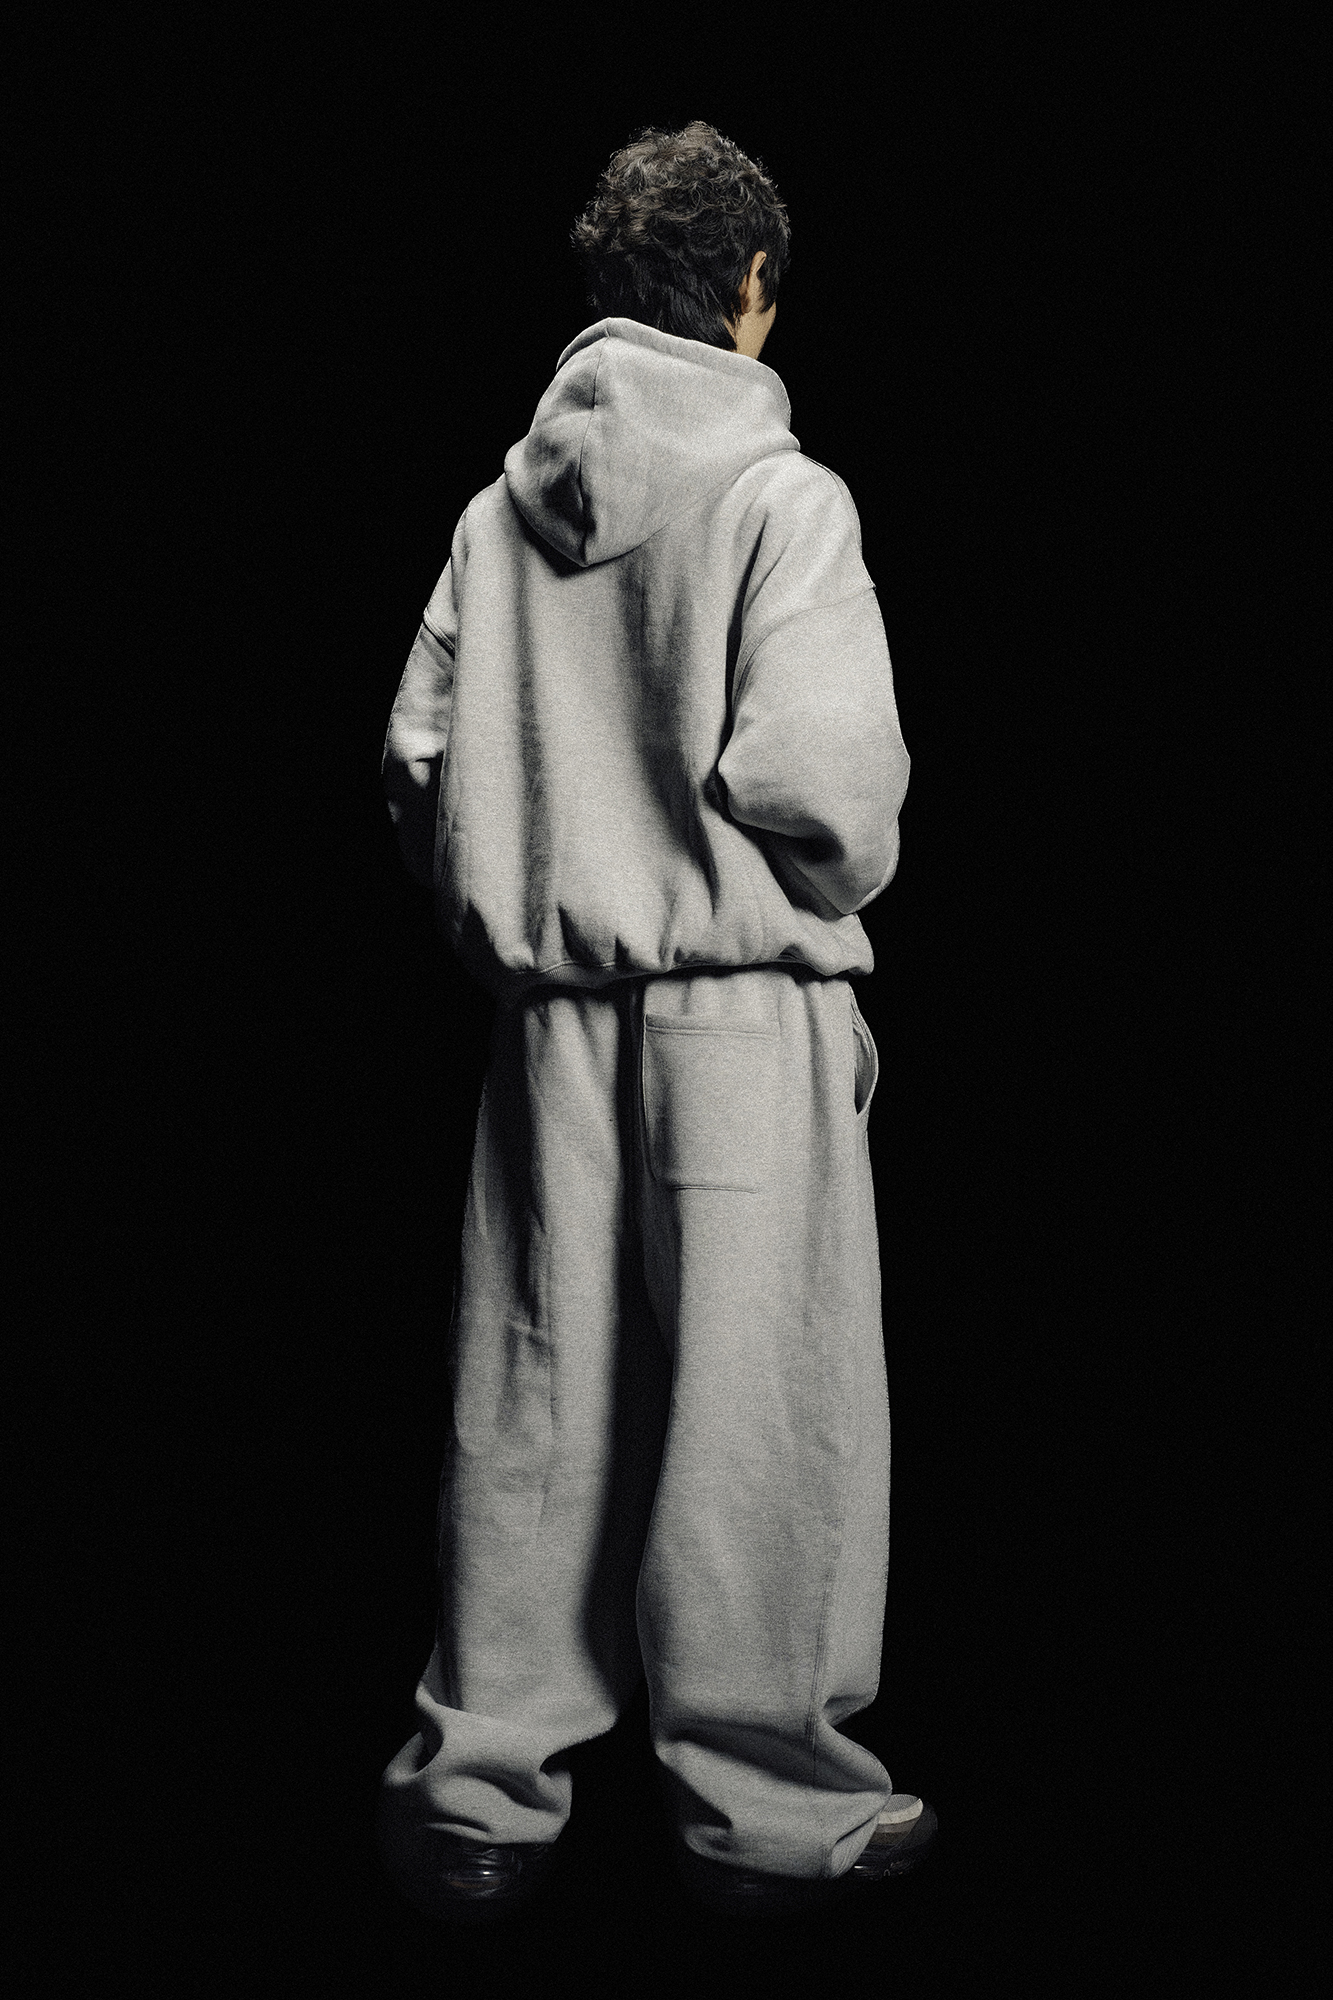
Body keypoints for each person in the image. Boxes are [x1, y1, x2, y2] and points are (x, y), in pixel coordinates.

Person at [376, 119, 934, 1923]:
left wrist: (525, 888)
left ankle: (478, 1799)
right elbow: (827, 789)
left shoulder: (494, 517)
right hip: (740, 1013)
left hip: (550, 1019)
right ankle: (764, 1810)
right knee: (757, 1414)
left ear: (608, 292)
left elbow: (420, 763)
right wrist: (788, 887)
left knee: (536, 1400)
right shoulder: (784, 499)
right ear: (751, 286)